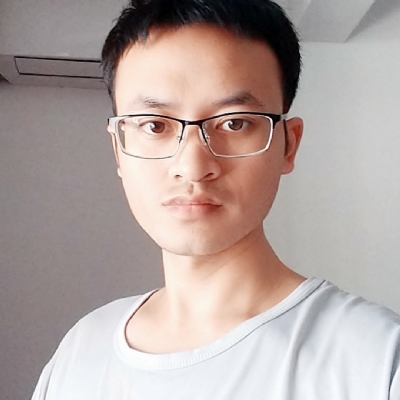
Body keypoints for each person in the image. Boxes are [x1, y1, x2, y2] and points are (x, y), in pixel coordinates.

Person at [31, 0, 400, 399]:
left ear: (288, 145)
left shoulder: (377, 360)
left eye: (234, 123)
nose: (192, 166)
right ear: (118, 150)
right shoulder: (81, 351)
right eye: (154, 125)